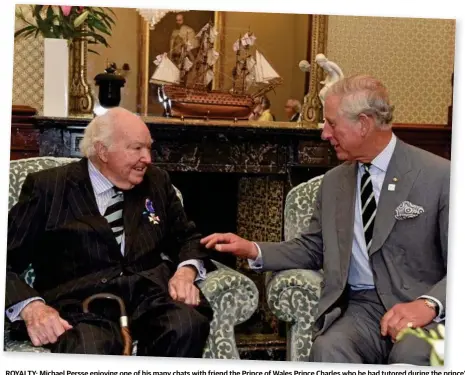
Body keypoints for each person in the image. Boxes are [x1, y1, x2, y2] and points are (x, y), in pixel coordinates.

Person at [201, 75, 449, 365]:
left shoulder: (439, 176)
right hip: (363, 309)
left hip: (421, 306)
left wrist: (430, 304)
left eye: (332, 123)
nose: (324, 134)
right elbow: (313, 246)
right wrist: (253, 249)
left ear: (364, 124)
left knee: (414, 354)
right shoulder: (334, 182)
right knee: (329, 348)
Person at [6, 107, 213, 357]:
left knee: (186, 324)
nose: (147, 158)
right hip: (81, 305)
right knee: (91, 345)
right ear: (103, 150)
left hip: (150, 297)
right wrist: (32, 307)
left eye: (149, 148)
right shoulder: (49, 188)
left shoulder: (157, 181)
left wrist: (185, 272)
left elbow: (188, 237)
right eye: (137, 148)